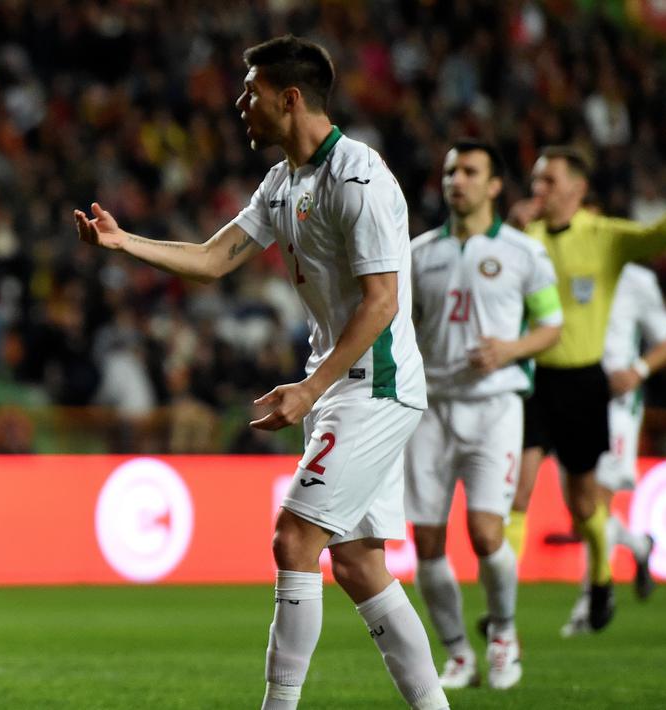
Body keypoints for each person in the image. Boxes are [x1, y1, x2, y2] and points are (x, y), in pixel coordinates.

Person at [75, 35, 448, 710]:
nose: (239, 104)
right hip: (344, 387)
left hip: (376, 385)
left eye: (250, 92)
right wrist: (123, 241)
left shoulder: (357, 179)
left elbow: (383, 301)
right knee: (360, 565)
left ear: (289, 98)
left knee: (293, 536)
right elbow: (216, 258)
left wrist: (310, 388)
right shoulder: (284, 181)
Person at [504, 146, 666, 632]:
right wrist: (511, 232)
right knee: (518, 490)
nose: (538, 191)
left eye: (549, 182)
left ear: (578, 191)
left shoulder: (603, 238)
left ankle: (601, 578)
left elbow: (656, 236)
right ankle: (504, 611)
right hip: (535, 380)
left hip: (585, 384)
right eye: (535, 181)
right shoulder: (526, 237)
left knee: (583, 506)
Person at [407, 142, 563, 690]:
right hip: (429, 407)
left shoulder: (524, 253)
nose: (458, 180)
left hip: (495, 404)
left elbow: (551, 327)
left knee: (485, 531)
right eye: (451, 170)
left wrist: (509, 349)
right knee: (425, 540)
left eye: (471, 171)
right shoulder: (419, 253)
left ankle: (502, 634)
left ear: (495, 186)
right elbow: (399, 325)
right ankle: (458, 654)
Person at [560, 262, 666, 636]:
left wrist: (638, 370)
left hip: (616, 405)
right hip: (572, 398)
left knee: (597, 501)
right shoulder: (558, 264)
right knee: (581, 511)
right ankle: (639, 546)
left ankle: (590, 603)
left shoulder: (636, 279)